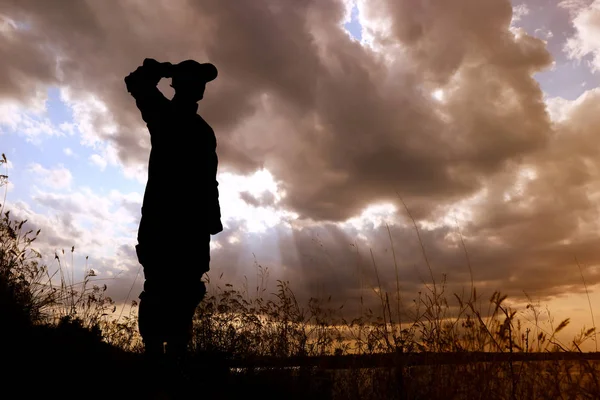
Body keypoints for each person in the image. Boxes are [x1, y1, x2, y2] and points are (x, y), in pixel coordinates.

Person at [124, 58, 223, 367]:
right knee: (158, 292)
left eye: (201, 83)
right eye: (194, 81)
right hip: (163, 225)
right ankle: (156, 363)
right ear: (181, 85)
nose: (200, 88)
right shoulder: (164, 115)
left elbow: (209, 180)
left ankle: (174, 364)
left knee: (184, 297)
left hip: (190, 229)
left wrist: (212, 222)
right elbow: (136, 83)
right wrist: (162, 68)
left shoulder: (202, 130)